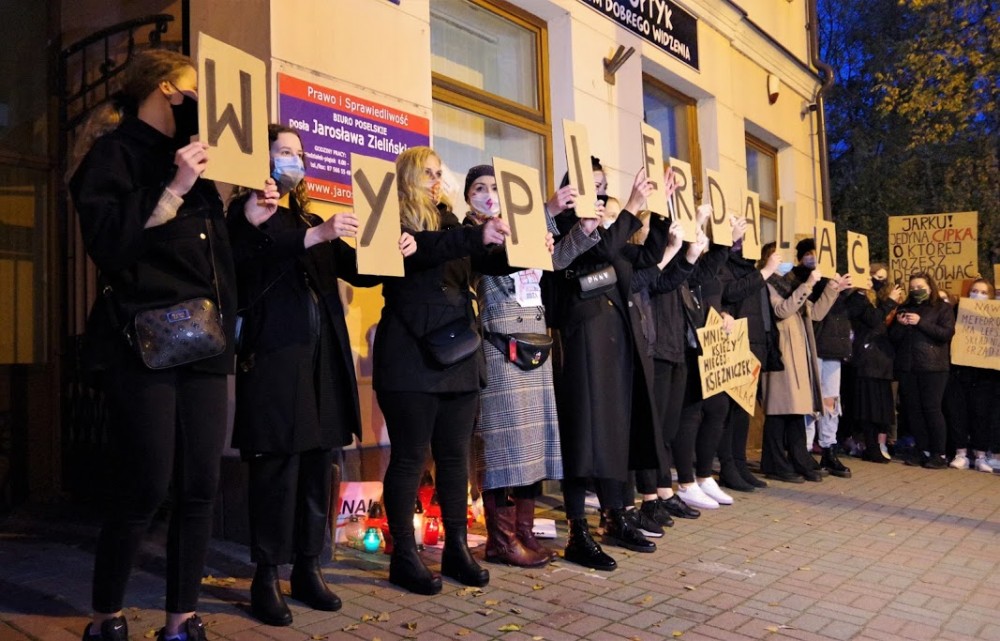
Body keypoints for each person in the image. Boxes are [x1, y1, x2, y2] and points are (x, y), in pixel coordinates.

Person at [68, 50, 249, 641]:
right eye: (196, 89)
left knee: (200, 485)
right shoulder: (114, 153)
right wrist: (175, 185)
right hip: (143, 340)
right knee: (144, 483)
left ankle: (181, 619)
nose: (205, 102)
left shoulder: (198, 158)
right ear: (169, 89)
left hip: (206, 340)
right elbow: (109, 244)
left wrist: (248, 211)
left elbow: (215, 259)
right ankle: (106, 616)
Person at [227, 125, 415, 625]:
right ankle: (266, 575)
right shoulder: (246, 213)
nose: (293, 159)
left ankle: (308, 568)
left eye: (298, 153)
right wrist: (317, 234)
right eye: (282, 151)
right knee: (275, 471)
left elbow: (360, 269)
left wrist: (393, 247)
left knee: (318, 467)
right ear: (260, 160)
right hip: (275, 361)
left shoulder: (311, 219)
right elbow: (244, 263)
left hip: (323, 362)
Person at [374, 146, 509, 594]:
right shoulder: (390, 223)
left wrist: (522, 249)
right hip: (409, 355)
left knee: (454, 457)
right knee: (410, 457)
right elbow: (427, 251)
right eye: (427, 173)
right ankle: (404, 556)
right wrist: (476, 235)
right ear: (408, 178)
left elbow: (485, 261)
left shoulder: (452, 223)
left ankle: (457, 548)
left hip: (458, 354)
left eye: (439, 172)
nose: (436, 180)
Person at [462, 164, 600, 567]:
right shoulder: (471, 232)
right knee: (505, 445)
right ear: (468, 196)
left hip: (535, 339)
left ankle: (523, 531)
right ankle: (501, 540)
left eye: (494, 187)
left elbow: (552, 262)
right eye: (479, 188)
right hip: (501, 342)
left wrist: (584, 230)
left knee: (533, 442)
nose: (488, 194)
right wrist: (548, 211)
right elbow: (495, 262)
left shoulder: (516, 227)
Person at [547, 158, 670, 570]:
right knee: (583, 435)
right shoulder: (565, 228)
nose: (599, 194)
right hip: (582, 339)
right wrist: (631, 206)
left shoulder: (607, 229)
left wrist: (662, 210)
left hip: (617, 339)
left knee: (616, 431)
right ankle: (577, 530)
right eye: (591, 185)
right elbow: (598, 250)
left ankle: (615, 515)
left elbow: (647, 255)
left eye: (602, 186)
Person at [760, 243, 844, 482]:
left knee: (796, 410)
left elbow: (815, 313)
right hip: (781, 352)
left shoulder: (790, 284)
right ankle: (775, 462)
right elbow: (782, 310)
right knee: (779, 409)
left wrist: (832, 289)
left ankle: (798, 458)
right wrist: (807, 285)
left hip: (798, 353)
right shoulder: (767, 284)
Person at [716, 238, 784, 491]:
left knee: (743, 410)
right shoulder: (725, 264)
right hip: (736, 344)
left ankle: (739, 463)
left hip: (755, 345)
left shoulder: (750, 269)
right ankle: (728, 466)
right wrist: (764, 272)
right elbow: (729, 293)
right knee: (730, 411)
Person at [795, 239, 853, 478]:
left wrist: (850, 290)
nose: (813, 257)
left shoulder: (833, 278)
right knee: (811, 402)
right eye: (808, 253)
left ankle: (829, 448)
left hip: (833, 348)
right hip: (814, 345)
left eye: (816, 253)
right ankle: (806, 449)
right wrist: (828, 286)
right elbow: (814, 311)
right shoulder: (800, 278)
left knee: (831, 401)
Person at [889, 272, 956, 468]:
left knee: (932, 409)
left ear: (930, 287)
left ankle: (939, 453)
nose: (916, 291)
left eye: (920, 287)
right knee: (914, 411)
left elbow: (946, 333)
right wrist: (900, 325)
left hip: (933, 367)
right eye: (913, 288)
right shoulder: (904, 308)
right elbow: (893, 337)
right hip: (908, 367)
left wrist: (921, 322)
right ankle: (922, 449)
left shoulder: (942, 308)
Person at [845, 263, 902, 464]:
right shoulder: (857, 299)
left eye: (883, 278)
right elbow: (873, 319)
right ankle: (870, 446)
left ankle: (877, 444)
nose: (878, 282)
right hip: (866, 359)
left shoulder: (880, 299)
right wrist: (890, 303)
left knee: (881, 408)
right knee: (868, 406)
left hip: (882, 360)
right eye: (875, 277)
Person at [944, 278, 999, 472]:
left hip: (986, 375)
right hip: (960, 372)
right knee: (958, 413)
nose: (978, 295)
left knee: (981, 416)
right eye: (975, 291)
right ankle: (961, 454)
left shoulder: (997, 315)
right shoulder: (958, 311)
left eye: (983, 292)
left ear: (990, 296)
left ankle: (980, 456)